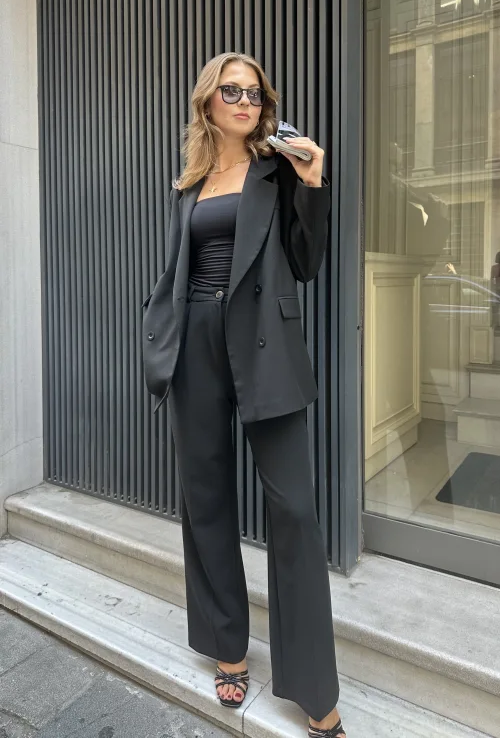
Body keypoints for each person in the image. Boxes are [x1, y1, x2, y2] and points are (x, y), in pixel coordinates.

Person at [142, 51, 345, 738]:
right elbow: (180, 268)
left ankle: (313, 687)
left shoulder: (277, 169)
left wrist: (313, 182)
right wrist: (160, 328)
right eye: (231, 91)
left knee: (294, 511)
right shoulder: (190, 183)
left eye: (254, 94)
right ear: (207, 101)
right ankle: (227, 646)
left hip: (265, 343)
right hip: (195, 343)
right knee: (204, 497)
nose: (244, 102)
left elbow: (306, 263)